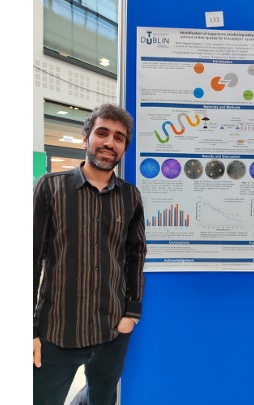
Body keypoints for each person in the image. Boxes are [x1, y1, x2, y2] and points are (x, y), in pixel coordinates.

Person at [33, 103, 147, 405]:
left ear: (123, 149)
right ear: (86, 139)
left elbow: (135, 256)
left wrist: (131, 315)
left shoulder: (130, 197)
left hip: (111, 332)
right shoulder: (49, 188)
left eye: (119, 138)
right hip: (55, 333)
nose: (110, 142)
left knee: (101, 400)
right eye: (102, 133)